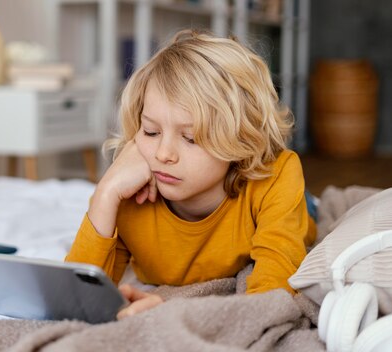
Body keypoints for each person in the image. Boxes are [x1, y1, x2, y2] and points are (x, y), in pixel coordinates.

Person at [65, 29, 317, 319]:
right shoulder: (130, 198)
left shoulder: (276, 176)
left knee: (304, 211)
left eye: (191, 138)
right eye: (151, 131)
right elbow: (75, 301)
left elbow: (271, 295)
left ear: (241, 138)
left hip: (281, 204)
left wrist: (176, 313)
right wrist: (105, 193)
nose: (163, 154)